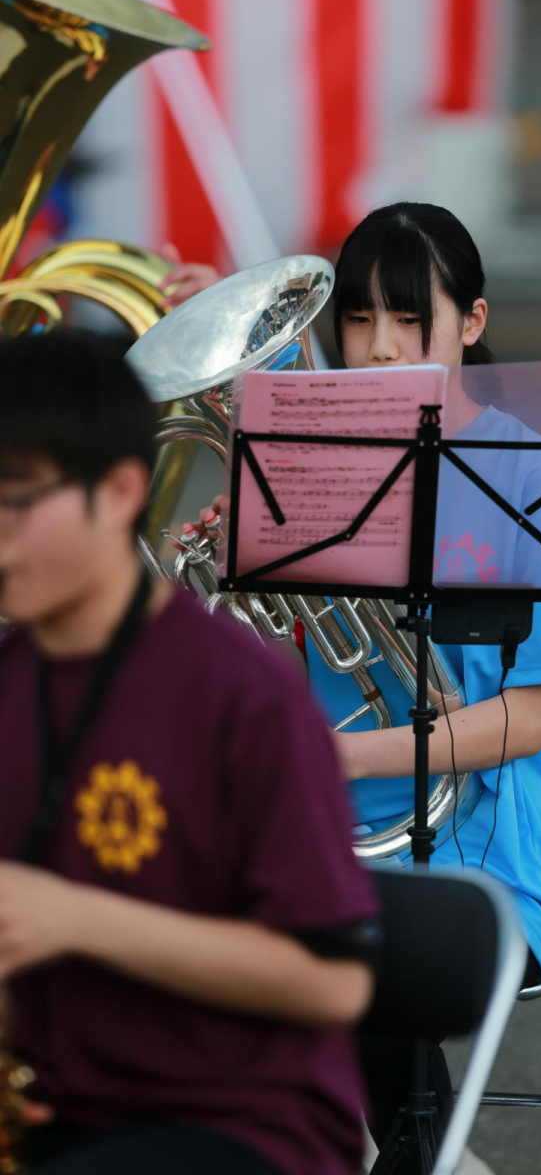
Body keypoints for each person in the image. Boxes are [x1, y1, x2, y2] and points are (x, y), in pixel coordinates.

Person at [171, 201, 541, 1161]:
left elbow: (528, 723)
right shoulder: (305, 475)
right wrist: (225, 578)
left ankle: (414, 1151)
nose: (379, 349)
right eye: (361, 320)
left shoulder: (536, 480)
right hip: (324, 843)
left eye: (410, 321)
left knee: (340, 953)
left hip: (484, 868)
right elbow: (254, 685)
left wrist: (324, 761)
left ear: (471, 322)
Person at [0, 331, 380, 1175]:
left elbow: (334, 981)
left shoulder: (246, 697)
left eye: (17, 502)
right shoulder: (12, 676)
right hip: (63, 1107)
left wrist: (76, 920)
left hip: (241, 1129)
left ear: (122, 491)